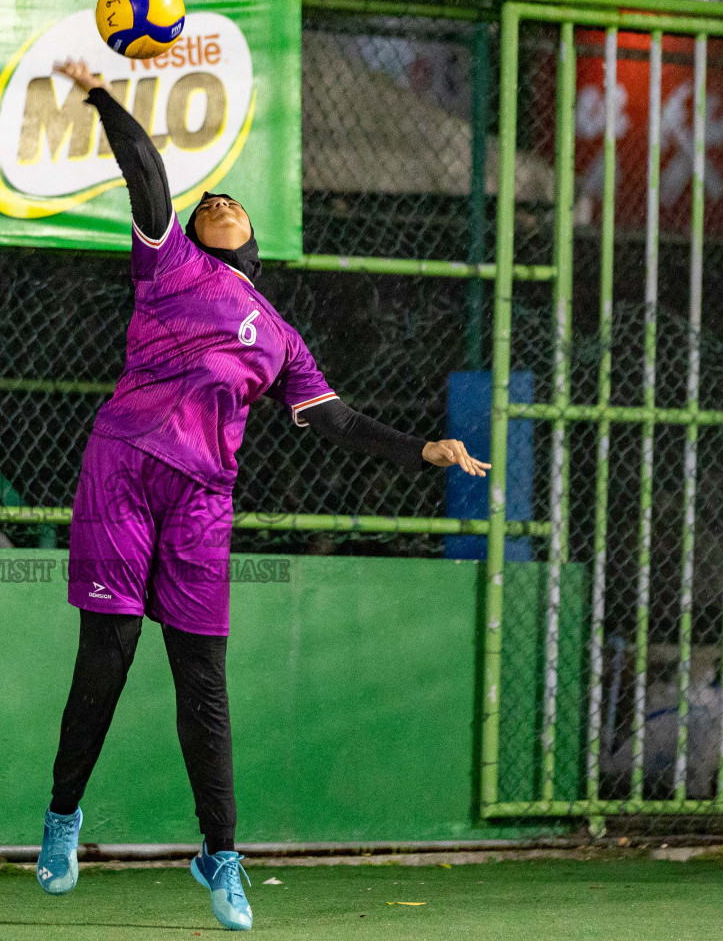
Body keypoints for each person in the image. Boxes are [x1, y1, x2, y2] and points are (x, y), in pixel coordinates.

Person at [36, 58, 490, 932]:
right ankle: (62, 819)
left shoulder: (278, 338)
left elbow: (335, 420)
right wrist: (100, 96)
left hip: (203, 503)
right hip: (122, 473)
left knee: (202, 679)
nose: (219, 198)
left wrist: (421, 447)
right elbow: (146, 167)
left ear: (248, 247)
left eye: (229, 203)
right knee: (111, 650)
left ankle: (222, 854)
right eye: (209, 199)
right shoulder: (166, 262)